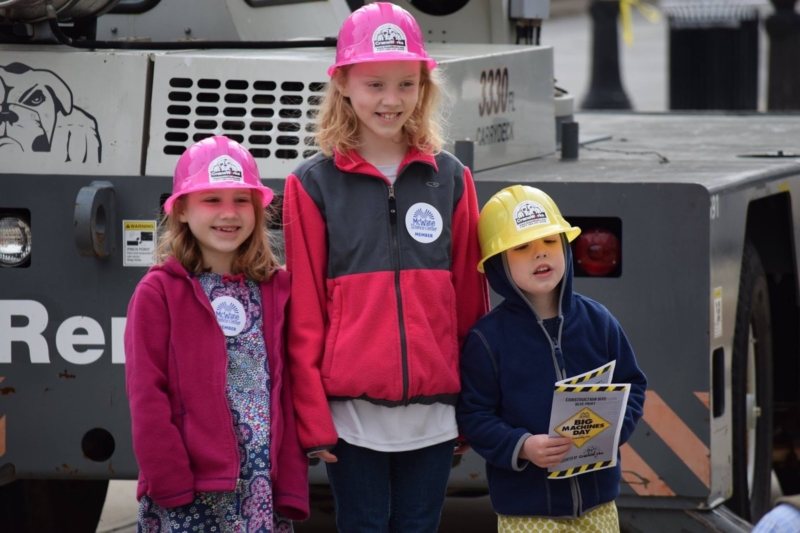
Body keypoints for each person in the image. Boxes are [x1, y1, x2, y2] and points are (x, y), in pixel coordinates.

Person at [282, 3, 489, 532]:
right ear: (343, 83)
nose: (391, 100)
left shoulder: (451, 178)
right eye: (374, 84)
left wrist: (474, 403)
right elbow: (304, 313)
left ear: (424, 86)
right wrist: (312, 415)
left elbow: (471, 304)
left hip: (435, 416)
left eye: (406, 84)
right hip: (350, 418)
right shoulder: (312, 185)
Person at [124, 136, 309, 533]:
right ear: (181, 210)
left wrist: (291, 481)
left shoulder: (276, 289)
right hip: (189, 490)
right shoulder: (158, 292)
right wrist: (169, 480)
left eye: (242, 200)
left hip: (261, 489)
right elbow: (146, 396)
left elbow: (288, 390)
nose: (229, 213)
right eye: (211, 199)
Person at [456, 185, 647, 532]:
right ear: (497, 264)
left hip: (598, 506)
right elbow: (474, 415)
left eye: (549, 241)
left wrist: (612, 430)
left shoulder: (599, 321)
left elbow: (632, 385)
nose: (540, 253)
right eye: (522, 247)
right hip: (527, 514)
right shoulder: (487, 339)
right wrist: (523, 446)